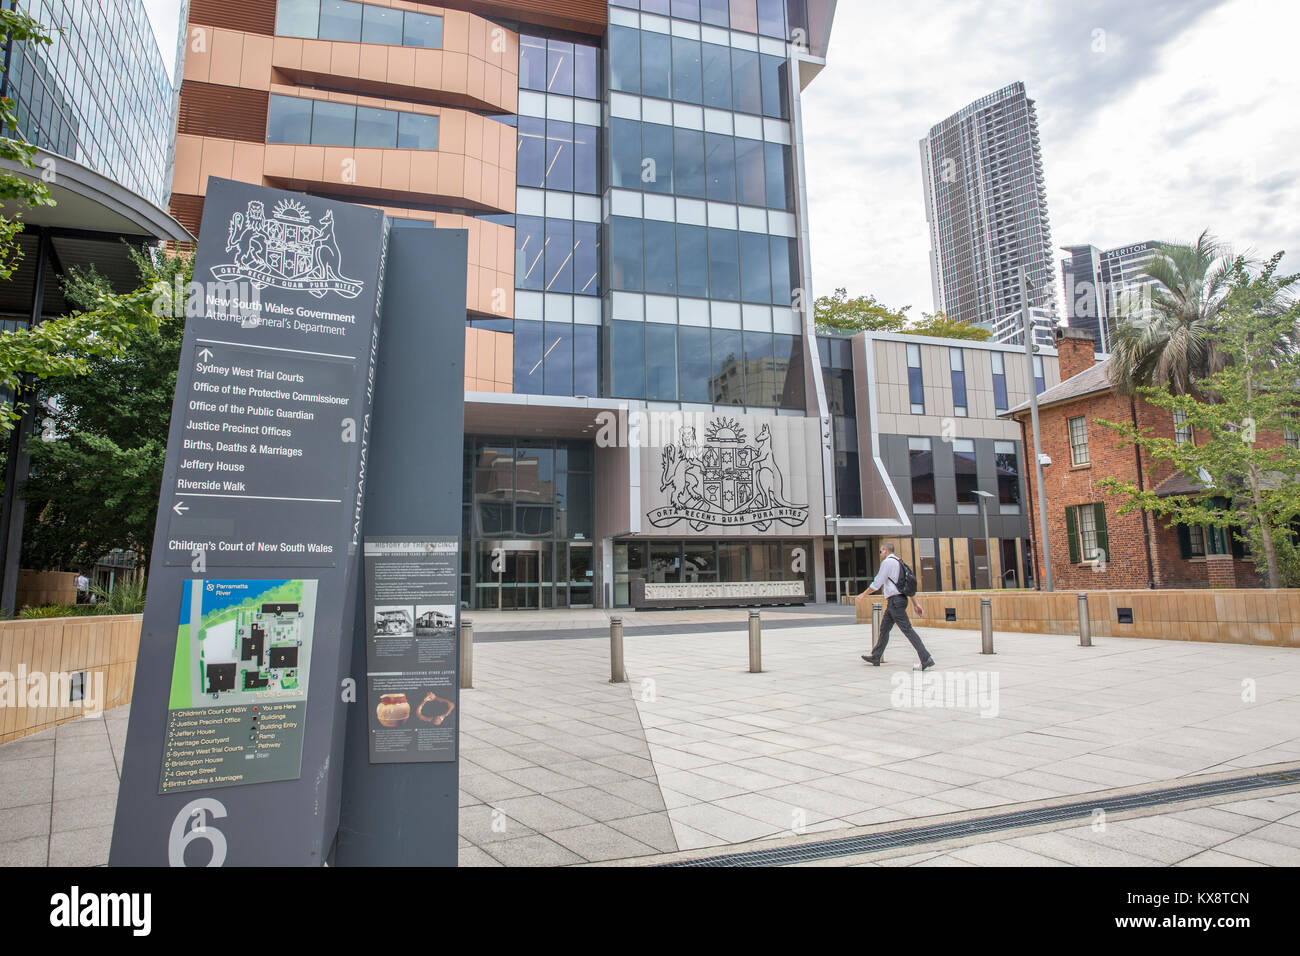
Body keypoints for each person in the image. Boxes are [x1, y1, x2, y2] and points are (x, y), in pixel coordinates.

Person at [859, 542, 935, 670]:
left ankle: (925, 657)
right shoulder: (900, 562)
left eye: (881, 551)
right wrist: (916, 604)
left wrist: (863, 594)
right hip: (898, 600)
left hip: (895, 602)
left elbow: (877, 583)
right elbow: (907, 586)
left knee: (907, 629)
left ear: (885, 551)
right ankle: (876, 656)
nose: (881, 553)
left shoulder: (887, 563)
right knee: (884, 629)